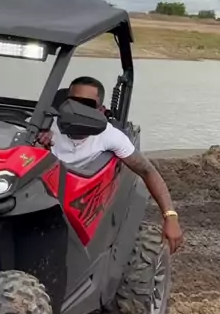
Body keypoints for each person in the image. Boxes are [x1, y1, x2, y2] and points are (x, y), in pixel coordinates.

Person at [39, 76, 184, 254]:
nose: (76, 109)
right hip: (43, 194)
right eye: (72, 102)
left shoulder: (109, 136)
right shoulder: (44, 125)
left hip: (83, 199)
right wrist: (38, 144)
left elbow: (147, 170)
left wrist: (170, 216)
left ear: (100, 111)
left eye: (86, 105)